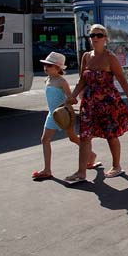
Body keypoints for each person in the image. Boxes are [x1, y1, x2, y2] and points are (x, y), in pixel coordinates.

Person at [65, 24, 128, 183]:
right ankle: (81, 172)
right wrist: (73, 96)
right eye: (92, 35)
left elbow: (122, 80)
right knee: (84, 137)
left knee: (111, 135)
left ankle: (117, 166)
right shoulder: (86, 57)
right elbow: (82, 79)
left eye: (98, 35)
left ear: (105, 38)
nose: (95, 38)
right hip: (89, 103)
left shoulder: (110, 57)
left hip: (107, 102)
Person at [32, 52, 99, 180]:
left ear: (58, 68)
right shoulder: (47, 80)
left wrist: (69, 101)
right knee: (45, 139)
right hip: (52, 115)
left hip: (64, 115)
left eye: (50, 65)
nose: (46, 67)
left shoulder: (62, 81)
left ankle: (91, 155)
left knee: (73, 138)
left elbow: (71, 99)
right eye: (45, 65)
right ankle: (47, 170)